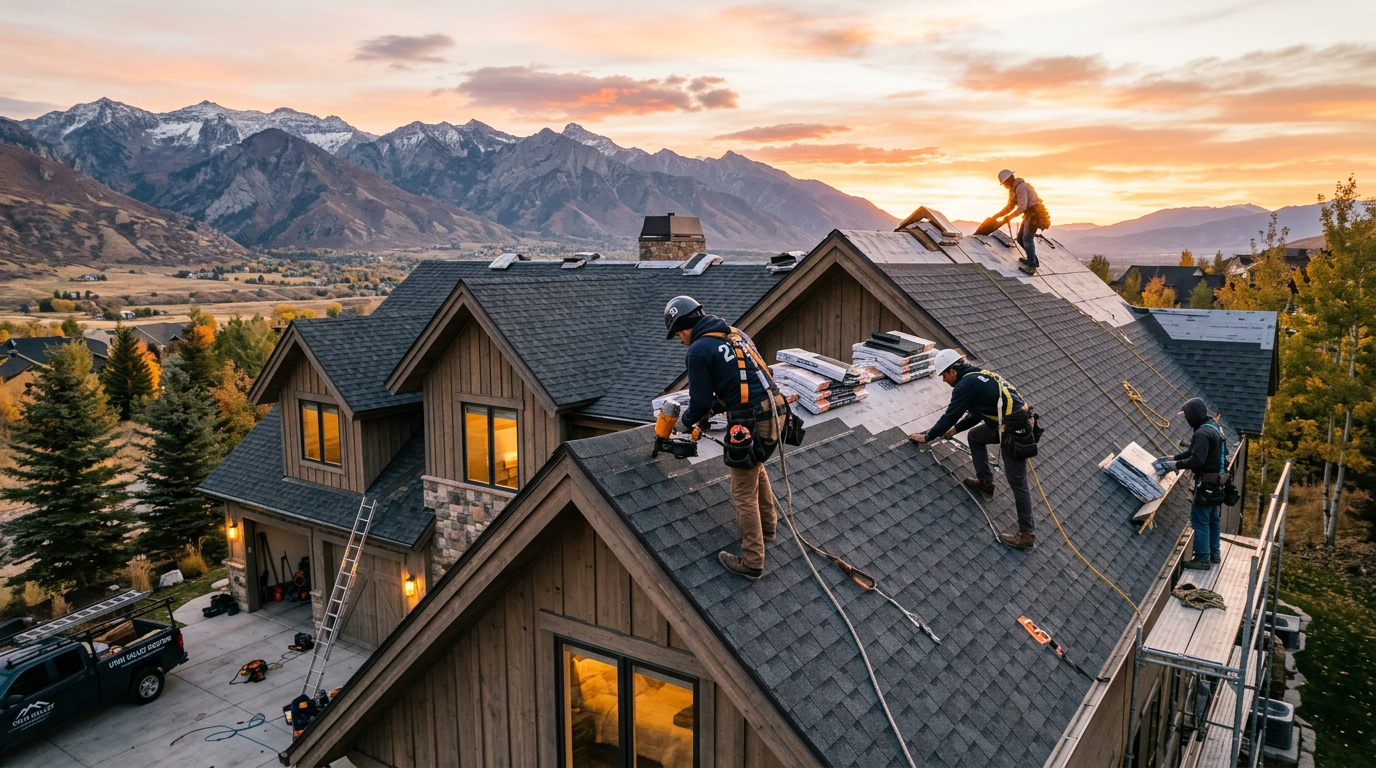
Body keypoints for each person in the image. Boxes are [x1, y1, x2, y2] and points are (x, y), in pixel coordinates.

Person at [665, 295, 780, 581]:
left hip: (750, 420)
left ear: (686, 325)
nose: (680, 340)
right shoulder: (734, 334)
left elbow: (700, 401)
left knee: (742, 491)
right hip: (776, 412)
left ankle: (753, 561)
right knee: (756, 466)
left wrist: (684, 422)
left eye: (678, 333)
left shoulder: (698, 350)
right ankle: (768, 527)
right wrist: (714, 408)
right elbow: (742, 381)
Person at [909, 349, 1037, 550]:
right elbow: (978, 414)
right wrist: (956, 430)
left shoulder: (965, 385)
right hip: (1005, 425)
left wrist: (927, 437)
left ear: (952, 370)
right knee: (975, 436)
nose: (943, 380)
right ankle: (986, 482)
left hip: (1014, 430)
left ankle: (1026, 533)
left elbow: (949, 416)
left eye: (943, 375)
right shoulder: (977, 375)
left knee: (1018, 482)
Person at [1155, 398, 1226, 570]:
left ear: (1193, 415)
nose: (1186, 419)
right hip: (1217, 483)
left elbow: (1197, 460)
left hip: (1206, 485)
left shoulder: (1202, 433)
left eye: (1186, 415)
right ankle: (1214, 554)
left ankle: (1202, 559)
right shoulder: (1211, 428)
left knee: (1200, 521)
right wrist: (1176, 457)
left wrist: (1175, 466)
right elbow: (1194, 451)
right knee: (1213, 519)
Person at [989, 169, 1051, 274]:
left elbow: (1022, 207)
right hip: (1029, 214)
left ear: (1009, 180)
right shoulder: (1014, 189)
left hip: (1034, 215)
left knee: (1027, 238)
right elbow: (1010, 206)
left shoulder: (1021, 187)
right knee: (1019, 239)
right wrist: (998, 215)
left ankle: (1031, 266)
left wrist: (1009, 217)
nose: (1004, 186)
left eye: (1004, 183)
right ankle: (1033, 260)